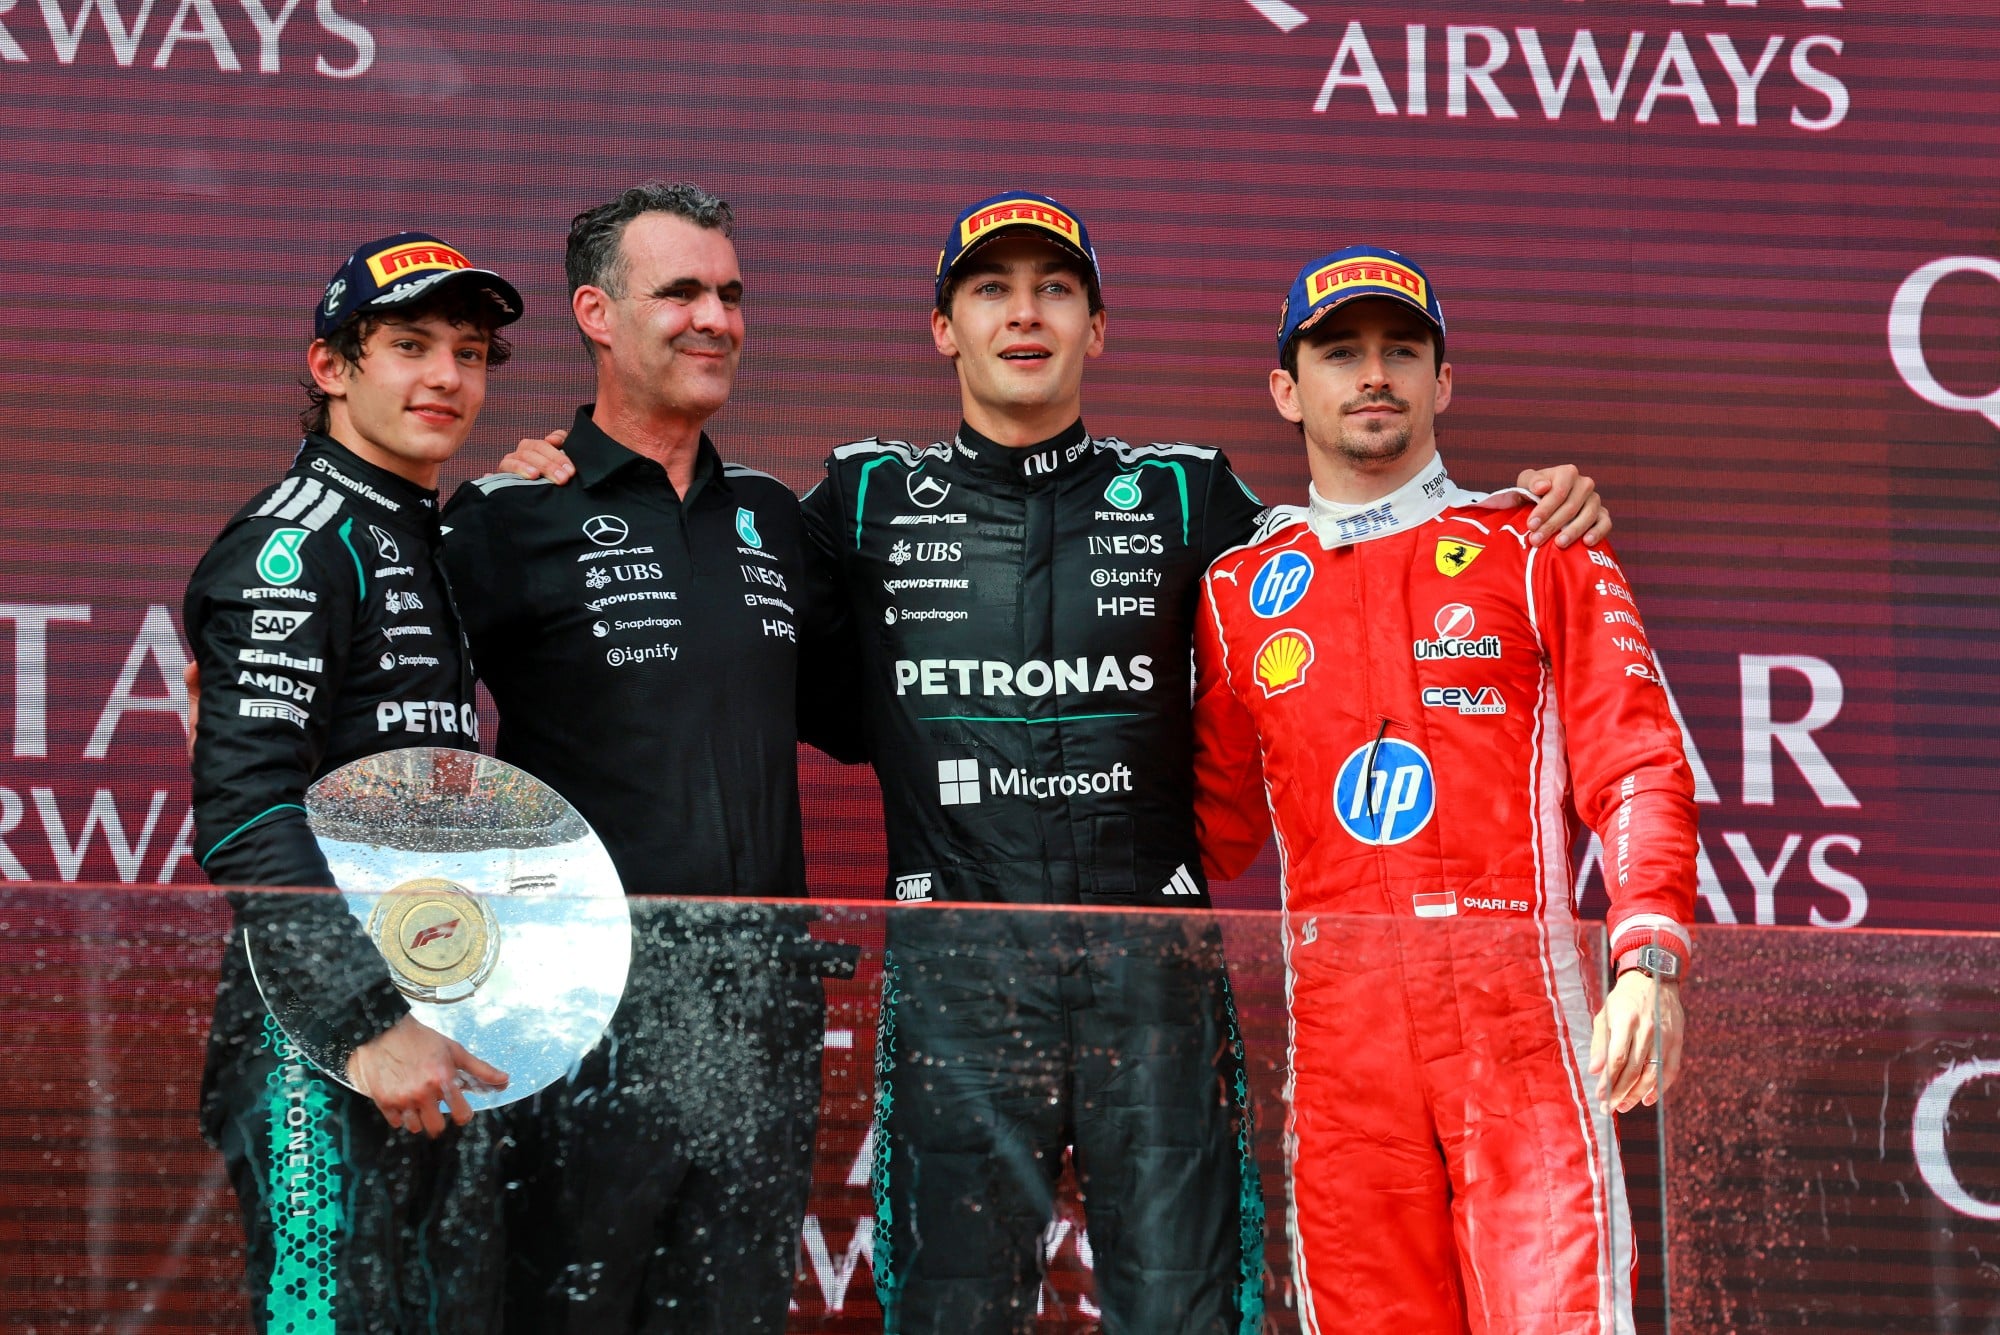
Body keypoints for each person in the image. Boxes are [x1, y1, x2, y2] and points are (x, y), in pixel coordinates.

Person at [502, 192, 1610, 1332]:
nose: (1023, 316)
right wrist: (577, 474)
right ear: (943, 328)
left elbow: (1357, 550)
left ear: (1097, 326)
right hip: (956, 988)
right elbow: (701, 570)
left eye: (1053, 291)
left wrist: (1512, 512)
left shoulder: (1191, 494)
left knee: (1179, 1316)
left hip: (1155, 985)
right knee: (950, 1313)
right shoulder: (863, 498)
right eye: (990, 290)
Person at [1190, 245, 1697, 1334]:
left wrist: (1647, 960)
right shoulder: (1237, 592)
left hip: (1516, 1032)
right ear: (1286, 390)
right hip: (1337, 1055)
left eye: (1400, 351)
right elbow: (1210, 829)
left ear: (1441, 382)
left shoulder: (1536, 540)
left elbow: (1638, 761)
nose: (1372, 374)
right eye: (1338, 353)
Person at [442, 181, 857, 1334]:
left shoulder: (777, 518)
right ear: (595, 313)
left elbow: (874, 718)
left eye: (728, 294)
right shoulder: (507, 512)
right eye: (678, 292)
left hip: (761, 1015)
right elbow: (392, 730)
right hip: (575, 1015)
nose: (713, 318)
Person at [184, 232, 522, 1333]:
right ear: (332, 366)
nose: (445, 378)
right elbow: (246, 811)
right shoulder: (295, 544)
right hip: (320, 1035)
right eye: (409, 346)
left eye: (468, 354)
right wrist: (365, 1019)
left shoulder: (428, 538)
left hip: (432, 1026)